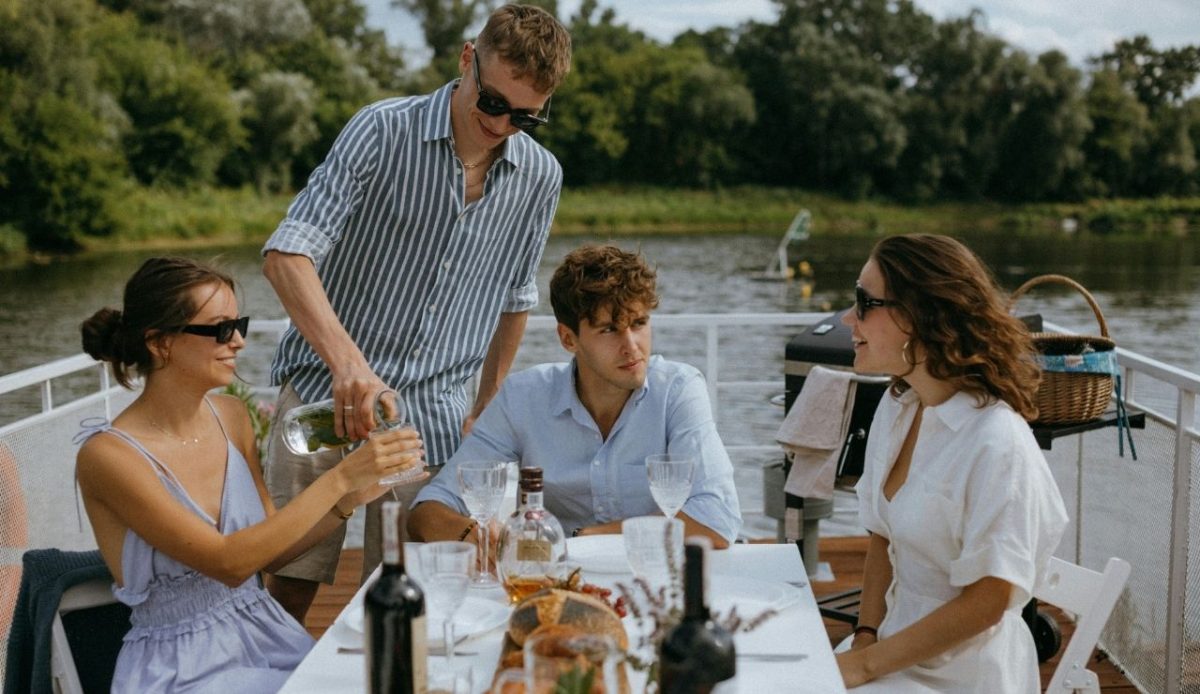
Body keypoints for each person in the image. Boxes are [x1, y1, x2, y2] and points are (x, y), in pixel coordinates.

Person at [259, 3, 572, 622]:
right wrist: (350, 366)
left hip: (434, 419)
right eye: (492, 102)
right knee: (289, 587)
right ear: (467, 59)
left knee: (417, 599)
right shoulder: (380, 130)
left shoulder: (541, 177)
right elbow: (286, 255)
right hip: (325, 400)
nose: (502, 125)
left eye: (524, 117)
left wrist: (487, 407)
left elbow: (515, 297)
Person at [75, 257, 424, 693]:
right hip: (181, 667)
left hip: (265, 633)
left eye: (238, 324)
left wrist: (349, 499)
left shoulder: (231, 415)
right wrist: (340, 478)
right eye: (220, 329)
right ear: (160, 342)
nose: (238, 341)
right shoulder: (108, 456)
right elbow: (230, 563)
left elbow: (270, 555)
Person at [835, 235, 1068, 692]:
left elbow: (987, 602)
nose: (848, 318)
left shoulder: (997, 443)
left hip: (964, 673)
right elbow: (882, 537)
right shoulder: (898, 408)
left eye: (864, 302)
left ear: (918, 316)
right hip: (890, 650)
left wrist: (863, 667)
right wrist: (864, 638)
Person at [408, 244, 742, 549]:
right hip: (559, 579)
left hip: (656, 573)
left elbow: (716, 518)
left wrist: (585, 538)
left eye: (639, 323)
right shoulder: (523, 397)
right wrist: (472, 534)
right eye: (609, 330)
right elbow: (427, 511)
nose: (632, 346)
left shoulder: (678, 390)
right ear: (568, 339)